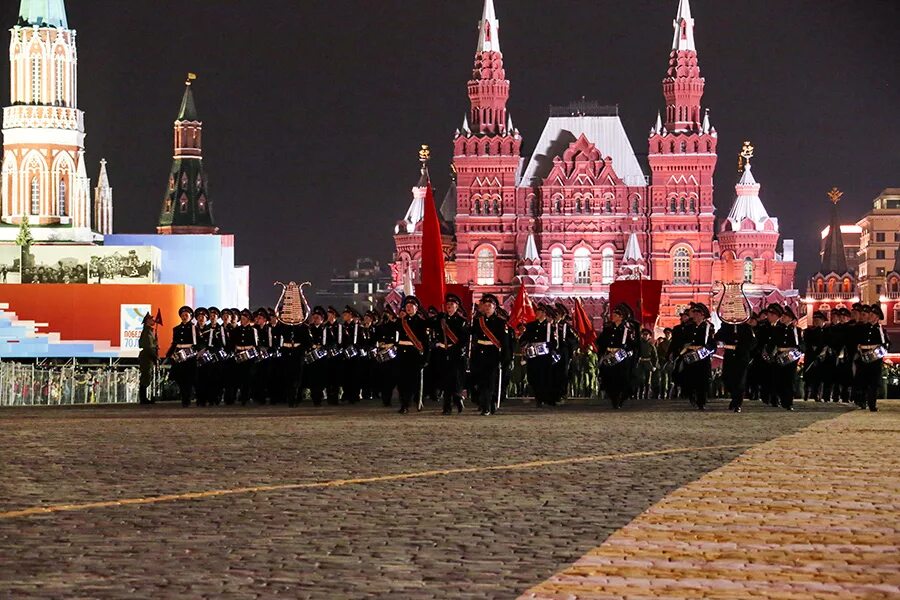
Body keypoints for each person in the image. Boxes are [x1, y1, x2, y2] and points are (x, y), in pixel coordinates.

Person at [469, 294, 508, 415]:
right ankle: (486, 403)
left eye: (489, 305)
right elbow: (470, 334)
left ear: (494, 307)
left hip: (493, 354)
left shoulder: (501, 322)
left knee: (490, 382)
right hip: (479, 354)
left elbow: (505, 342)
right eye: (485, 305)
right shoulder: (477, 321)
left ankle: (487, 405)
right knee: (480, 381)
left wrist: (504, 358)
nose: (487, 308)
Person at [434, 294, 470, 415]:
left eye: (452, 305)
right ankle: (447, 407)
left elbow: (464, 340)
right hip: (443, 353)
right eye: (447, 305)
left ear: (456, 307)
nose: (449, 307)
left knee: (455, 381)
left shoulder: (461, 322)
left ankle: (457, 398)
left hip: (456, 354)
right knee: (445, 381)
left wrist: (455, 349)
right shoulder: (441, 320)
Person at [596, 303, 637, 409]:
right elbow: (601, 341)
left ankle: (621, 398)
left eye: (615, 315)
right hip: (610, 355)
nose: (612, 317)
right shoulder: (609, 328)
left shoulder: (627, 329)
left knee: (622, 379)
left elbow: (632, 344)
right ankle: (614, 398)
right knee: (609, 378)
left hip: (621, 357)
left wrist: (626, 352)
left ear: (621, 317)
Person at [394, 296, 430, 414]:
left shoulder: (421, 323)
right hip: (401, 354)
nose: (409, 308)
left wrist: (425, 358)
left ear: (416, 308)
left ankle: (408, 403)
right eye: (407, 307)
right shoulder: (400, 322)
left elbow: (425, 343)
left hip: (413, 354)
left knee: (411, 381)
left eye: (411, 307)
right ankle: (404, 403)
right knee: (401, 380)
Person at [853, 305, 890, 411]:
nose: (870, 316)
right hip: (863, 358)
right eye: (869, 314)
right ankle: (862, 402)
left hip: (875, 359)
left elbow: (885, 345)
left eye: (872, 315)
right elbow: (857, 341)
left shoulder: (880, 329)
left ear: (877, 317)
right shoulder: (863, 328)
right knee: (862, 380)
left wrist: (875, 352)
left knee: (873, 382)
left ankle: (872, 404)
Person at [520, 304, 558, 407]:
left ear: (544, 314)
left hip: (545, 356)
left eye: (539, 312)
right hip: (533, 355)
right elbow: (524, 338)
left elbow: (554, 342)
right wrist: (524, 344)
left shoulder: (550, 326)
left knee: (545, 377)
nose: (536, 313)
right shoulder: (531, 325)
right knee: (533, 376)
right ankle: (538, 396)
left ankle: (545, 398)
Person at [715, 319, 757, 412]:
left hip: (741, 357)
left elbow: (753, 343)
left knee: (740, 381)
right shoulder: (726, 326)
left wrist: (741, 348)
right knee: (727, 379)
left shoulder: (747, 327)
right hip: (729, 356)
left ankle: (737, 403)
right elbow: (717, 337)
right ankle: (734, 398)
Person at [680, 303, 716, 410]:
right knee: (690, 379)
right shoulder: (688, 327)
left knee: (703, 380)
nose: (694, 315)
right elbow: (683, 341)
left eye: (697, 313)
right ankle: (692, 397)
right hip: (690, 356)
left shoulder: (709, 327)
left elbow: (712, 344)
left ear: (702, 315)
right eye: (694, 313)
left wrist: (703, 351)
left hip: (702, 357)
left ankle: (701, 402)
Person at [274, 310, 311, 408]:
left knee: (297, 377)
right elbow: (275, 332)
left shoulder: (303, 327)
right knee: (287, 375)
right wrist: (282, 320)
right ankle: (290, 397)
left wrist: (300, 350)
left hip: (297, 353)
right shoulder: (284, 325)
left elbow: (308, 343)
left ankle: (295, 397)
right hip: (286, 352)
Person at [165, 305, 198, 407]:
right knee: (179, 377)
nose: (184, 317)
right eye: (183, 315)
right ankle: (184, 396)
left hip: (189, 356)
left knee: (188, 378)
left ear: (190, 316)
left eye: (186, 315)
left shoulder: (194, 328)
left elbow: (198, 342)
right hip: (179, 355)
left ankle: (186, 399)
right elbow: (174, 343)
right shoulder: (176, 329)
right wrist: (169, 354)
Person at [770, 305, 802, 410]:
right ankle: (777, 399)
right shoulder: (777, 329)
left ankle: (788, 402)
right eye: (782, 316)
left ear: (790, 318)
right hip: (779, 356)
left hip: (791, 358)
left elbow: (800, 345)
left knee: (789, 380)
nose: (782, 318)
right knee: (777, 379)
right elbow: (773, 343)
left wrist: (797, 353)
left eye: (785, 316)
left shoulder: (796, 330)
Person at [230, 309, 259, 406]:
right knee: (239, 377)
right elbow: (232, 343)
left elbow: (256, 345)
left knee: (248, 377)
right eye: (241, 318)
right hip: (239, 354)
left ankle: (245, 397)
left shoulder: (253, 330)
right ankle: (241, 396)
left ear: (248, 319)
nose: (242, 320)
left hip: (249, 356)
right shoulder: (236, 330)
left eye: (244, 318)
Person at [374, 307, 399, 406]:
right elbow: (375, 340)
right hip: (383, 356)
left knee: (392, 378)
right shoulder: (379, 327)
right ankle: (386, 398)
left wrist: (391, 344)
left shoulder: (395, 326)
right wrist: (379, 344)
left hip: (393, 355)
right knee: (384, 378)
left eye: (388, 314)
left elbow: (397, 340)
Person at [305, 307, 330, 406]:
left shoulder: (326, 329)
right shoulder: (309, 329)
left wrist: (324, 348)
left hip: (322, 358)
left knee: (321, 378)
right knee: (312, 378)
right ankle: (314, 397)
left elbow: (331, 342)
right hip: (312, 358)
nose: (315, 319)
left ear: (322, 319)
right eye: (314, 317)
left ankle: (319, 397)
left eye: (317, 317)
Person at [802, 311, 828, 401]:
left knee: (819, 377)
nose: (816, 322)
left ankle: (817, 395)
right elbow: (806, 342)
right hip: (810, 356)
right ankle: (807, 393)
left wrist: (820, 352)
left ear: (822, 321)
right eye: (815, 320)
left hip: (820, 356)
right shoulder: (808, 331)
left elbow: (825, 343)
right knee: (808, 375)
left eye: (818, 320)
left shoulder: (825, 331)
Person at [340, 306, 364, 404]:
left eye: (346, 315)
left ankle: (355, 394)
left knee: (355, 375)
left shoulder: (358, 328)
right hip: (345, 354)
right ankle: (346, 393)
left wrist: (356, 348)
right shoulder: (341, 327)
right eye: (344, 315)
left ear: (351, 316)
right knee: (346, 375)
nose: (344, 316)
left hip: (355, 355)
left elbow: (362, 341)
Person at [138, 313, 158, 405]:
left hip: (147, 355)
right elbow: (149, 346)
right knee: (146, 377)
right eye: (152, 319)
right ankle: (143, 398)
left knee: (146, 376)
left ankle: (144, 398)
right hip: (147, 355)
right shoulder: (147, 331)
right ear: (148, 321)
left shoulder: (148, 331)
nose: (154, 321)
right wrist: (155, 357)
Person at [634, 329, 658, 400]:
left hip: (648, 363)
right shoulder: (639, 344)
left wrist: (654, 366)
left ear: (649, 336)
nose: (645, 336)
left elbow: (655, 357)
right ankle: (638, 395)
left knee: (648, 380)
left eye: (646, 335)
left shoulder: (651, 345)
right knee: (640, 379)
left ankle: (646, 396)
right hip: (640, 363)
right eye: (644, 334)